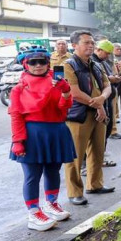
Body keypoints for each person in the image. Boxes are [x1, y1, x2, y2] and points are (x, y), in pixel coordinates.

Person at [8, 48, 76, 231]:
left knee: (53, 171)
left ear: (48, 63)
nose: (38, 66)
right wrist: (18, 140)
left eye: (42, 62)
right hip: (33, 134)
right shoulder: (18, 89)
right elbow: (15, 115)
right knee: (32, 176)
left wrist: (65, 91)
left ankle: (51, 203)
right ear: (25, 64)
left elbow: (64, 108)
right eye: (33, 62)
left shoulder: (58, 82)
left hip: (56, 130)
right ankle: (33, 212)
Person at [64, 30, 114, 205]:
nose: (91, 45)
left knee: (98, 151)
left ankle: (94, 184)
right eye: (86, 42)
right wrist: (100, 104)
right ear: (74, 45)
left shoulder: (96, 64)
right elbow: (74, 93)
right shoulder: (69, 65)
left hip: (98, 113)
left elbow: (107, 86)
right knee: (75, 156)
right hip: (79, 115)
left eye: (92, 42)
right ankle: (74, 192)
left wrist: (102, 99)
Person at [91, 41, 121, 166]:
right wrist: (111, 79)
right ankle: (93, 161)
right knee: (98, 134)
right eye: (106, 53)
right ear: (98, 50)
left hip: (106, 99)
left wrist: (113, 78)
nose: (107, 56)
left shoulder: (102, 62)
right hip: (99, 101)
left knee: (105, 131)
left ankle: (99, 158)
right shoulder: (92, 62)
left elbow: (105, 79)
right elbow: (97, 80)